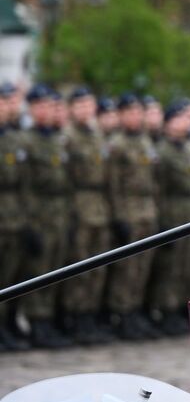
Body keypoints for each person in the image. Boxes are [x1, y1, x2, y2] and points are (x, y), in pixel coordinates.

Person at [18, 85, 73, 348]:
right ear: (31, 108)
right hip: (38, 214)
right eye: (40, 105)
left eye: (50, 106)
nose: (46, 111)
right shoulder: (25, 141)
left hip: (58, 214)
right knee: (37, 271)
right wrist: (28, 223)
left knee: (57, 269)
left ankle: (48, 321)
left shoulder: (56, 139)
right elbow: (24, 187)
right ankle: (35, 322)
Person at [60, 87, 115, 345]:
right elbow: (64, 179)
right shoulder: (66, 137)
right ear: (72, 109)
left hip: (99, 207)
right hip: (78, 206)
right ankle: (73, 316)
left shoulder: (97, 136)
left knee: (97, 267)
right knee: (78, 266)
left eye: (88, 105)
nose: (85, 110)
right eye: (79, 105)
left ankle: (89, 315)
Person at [106, 93, 160, 340]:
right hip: (127, 208)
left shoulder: (145, 142)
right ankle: (120, 313)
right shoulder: (116, 144)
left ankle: (135, 310)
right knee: (126, 268)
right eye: (130, 111)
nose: (136, 116)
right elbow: (113, 184)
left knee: (142, 266)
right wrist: (118, 216)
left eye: (139, 111)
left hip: (146, 210)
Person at [147, 99, 190, 336]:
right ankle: (164, 310)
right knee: (170, 267)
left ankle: (179, 308)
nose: (186, 122)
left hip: (187, 210)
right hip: (171, 210)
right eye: (181, 117)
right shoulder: (163, 150)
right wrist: (162, 218)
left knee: (185, 265)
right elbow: (159, 188)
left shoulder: (187, 147)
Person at [0, 82, 30, 350]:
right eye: (6, 101)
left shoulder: (13, 136)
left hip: (13, 216)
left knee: (13, 274)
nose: (11, 106)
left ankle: (8, 324)